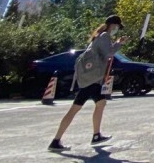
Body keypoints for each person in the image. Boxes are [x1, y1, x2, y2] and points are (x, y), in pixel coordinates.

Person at [48, 15, 127, 151]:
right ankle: (56, 140)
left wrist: (117, 44)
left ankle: (95, 135)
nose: (117, 29)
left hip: (91, 78)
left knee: (99, 104)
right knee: (77, 108)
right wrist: (119, 43)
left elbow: (105, 53)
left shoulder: (100, 36)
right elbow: (108, 54)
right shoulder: (104, 36)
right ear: (112, 25)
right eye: (117, 27)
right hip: (92, 79)